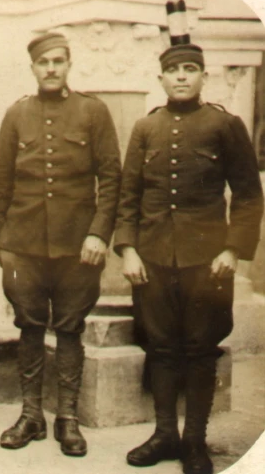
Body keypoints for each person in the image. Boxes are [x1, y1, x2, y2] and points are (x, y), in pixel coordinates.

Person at [115, 43, 264, 474]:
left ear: (203, 77)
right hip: (153, 258)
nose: (181, 77)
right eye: (173, 70)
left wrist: (233, 249)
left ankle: (195, 441)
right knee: (160, 346)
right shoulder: (146, 129)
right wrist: (127, 249)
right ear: (160, 78)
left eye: (190, 69)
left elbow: (250, 196)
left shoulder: (225, 124)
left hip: (208, 260)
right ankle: (164, 434)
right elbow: (129, 196)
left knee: (201, 349)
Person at [0, 32, 121, 457]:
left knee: (69, 328)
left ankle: (68, 418)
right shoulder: (16, 114)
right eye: (43, 61)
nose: (51, 68)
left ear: (68, 65)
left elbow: (111, 178)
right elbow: (1, 181)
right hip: (21, 247)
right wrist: (0, 242)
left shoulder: (93, 111)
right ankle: (31, 416)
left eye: (58, 61)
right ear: (32, 67)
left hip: (78, 246)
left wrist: (99, 233)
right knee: (28, 325)